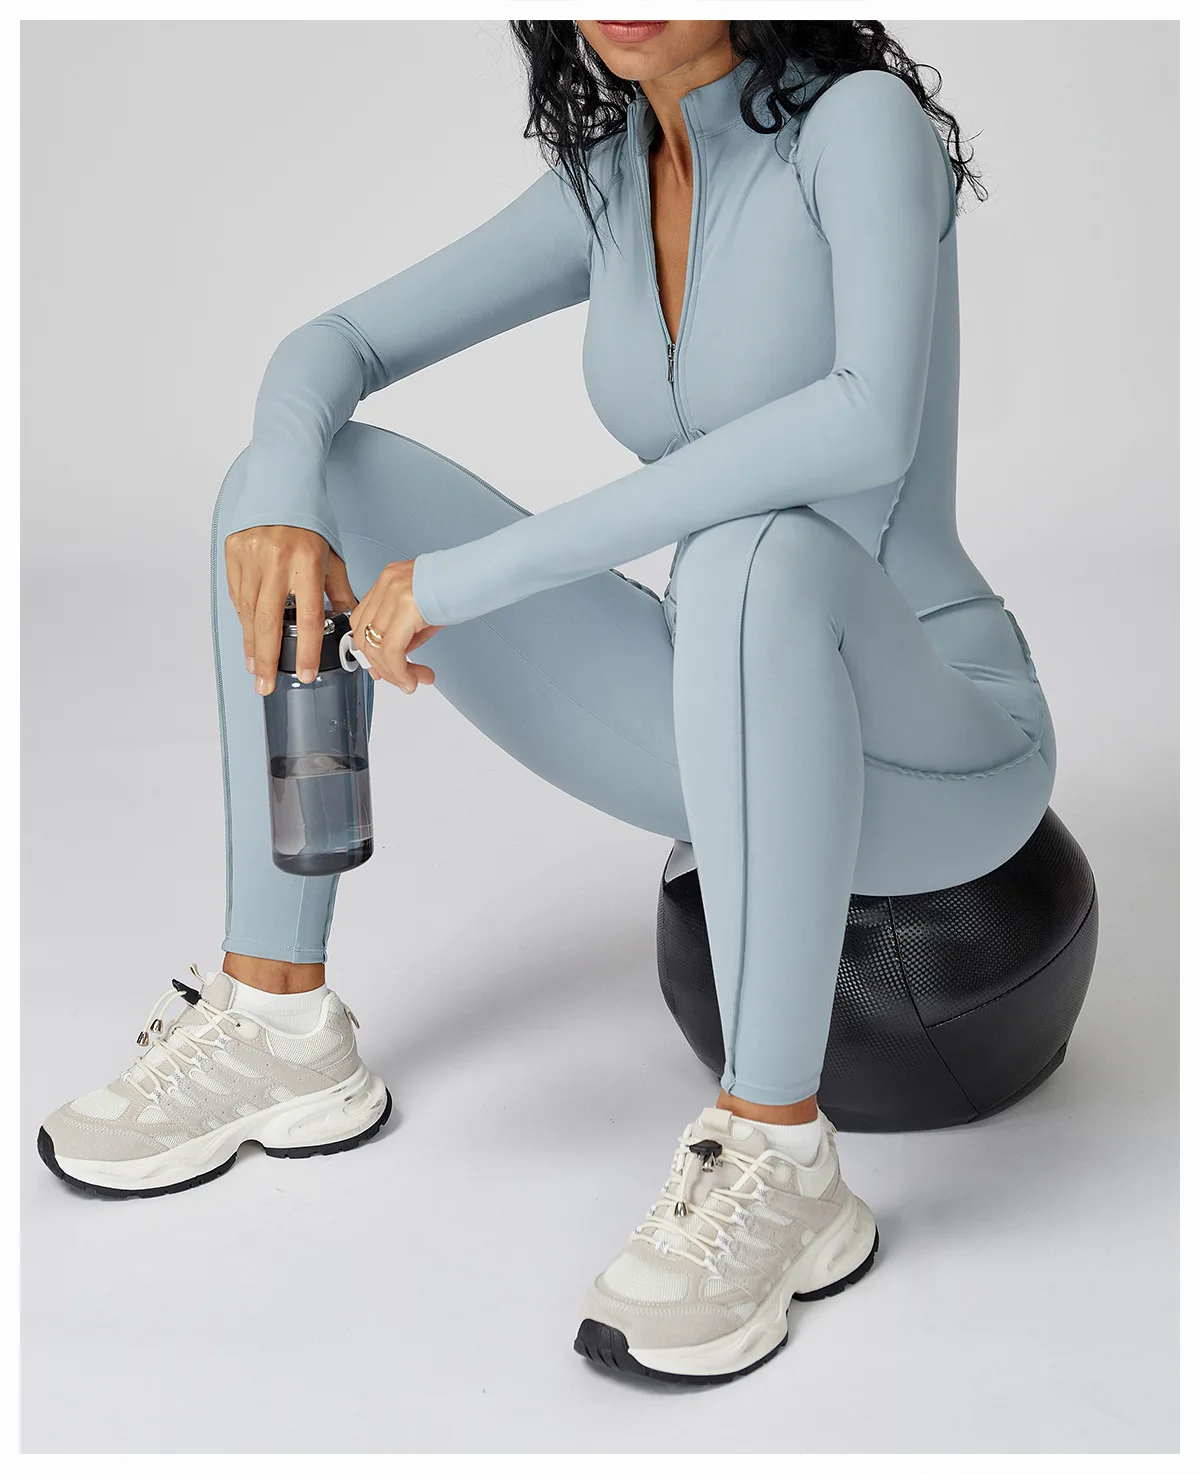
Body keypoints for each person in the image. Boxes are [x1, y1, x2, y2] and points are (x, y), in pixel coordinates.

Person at [37, 19, 1056, 1385]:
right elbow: (333, 343)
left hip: (941, 744)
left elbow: (863, 421)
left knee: (753, 552)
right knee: (299, 486)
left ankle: (779, 1157)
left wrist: (475, 576)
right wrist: (282, 494)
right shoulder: (613, 177)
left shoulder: (855, 127)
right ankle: (276, 1018)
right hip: (725, 710)